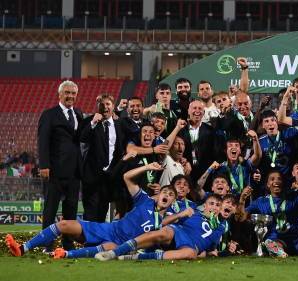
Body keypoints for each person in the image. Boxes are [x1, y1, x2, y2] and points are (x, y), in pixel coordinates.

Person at [5, 162, 177, 259]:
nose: (167, 195)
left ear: (173, 201)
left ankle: (65, 254)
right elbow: (126, 177)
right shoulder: (144, 201)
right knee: (64, 224)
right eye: (165, 192)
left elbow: (154, 244)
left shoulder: (166, 223)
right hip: (107, 229)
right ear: (158, 194)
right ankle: (22, 248)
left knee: (109, 247)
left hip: (120, 245)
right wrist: (147, 168)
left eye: (171, 195)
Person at [96, 194, 227, 261]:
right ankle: (115, 252)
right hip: (178, 232)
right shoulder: (192, 210)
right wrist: (181, 214)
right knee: (165, 232)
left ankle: (135, 257)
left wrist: (204, 251)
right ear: (205, 205)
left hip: (190, 245)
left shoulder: (220, 226)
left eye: (217, 205)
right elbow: (164, 219)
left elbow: (210, 245)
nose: (214, 207)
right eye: (211, 204)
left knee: (190, 254)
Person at [37, 80, 83, 251]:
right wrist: (44, 165)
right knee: (50, 210)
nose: (70, 96)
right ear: (60, 94)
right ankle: (47, 245)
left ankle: (68, 245)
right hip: (54, 171)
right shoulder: (49, 114)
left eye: (73, 93)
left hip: (74, 172)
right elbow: (43, 142)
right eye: (67, 93)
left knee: (70, 211)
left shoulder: (78, 114)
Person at [236, 171, 298, 258]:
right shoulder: (261, 201)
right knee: (275, 244)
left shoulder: (293, 197)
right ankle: (276, 250)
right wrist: (242, 200)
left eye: (279, 179)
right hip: (276, 239)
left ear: (283, 183)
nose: (276, 181)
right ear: (268, 184)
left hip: (296, 239)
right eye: (272, 179)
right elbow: (241, 218)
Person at [80, 93, 126, 222]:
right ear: (97, 106)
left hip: (110, 178)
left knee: (102, 211)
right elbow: (83, 137)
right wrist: (94, 122)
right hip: (92, 177)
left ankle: (99, 240)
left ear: (113, 106)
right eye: (102, 104)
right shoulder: (91, 121)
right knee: (90, 213)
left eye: (108, 104)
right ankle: (89, 242)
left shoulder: (119, 124)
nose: (105, 107)